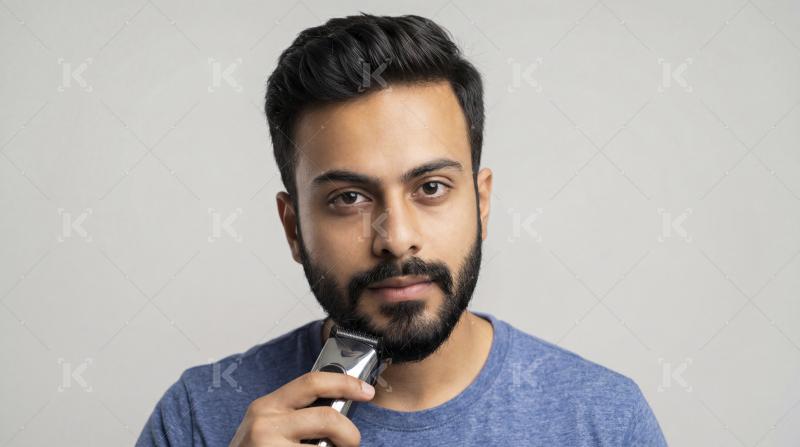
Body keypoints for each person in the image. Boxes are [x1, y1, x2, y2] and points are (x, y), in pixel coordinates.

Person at [136, 13, 668, 446]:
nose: (396, 237)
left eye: (431, 188)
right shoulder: (197, 420)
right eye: (349, 198)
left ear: (481, 204)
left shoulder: (605, 422)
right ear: (293, 228)